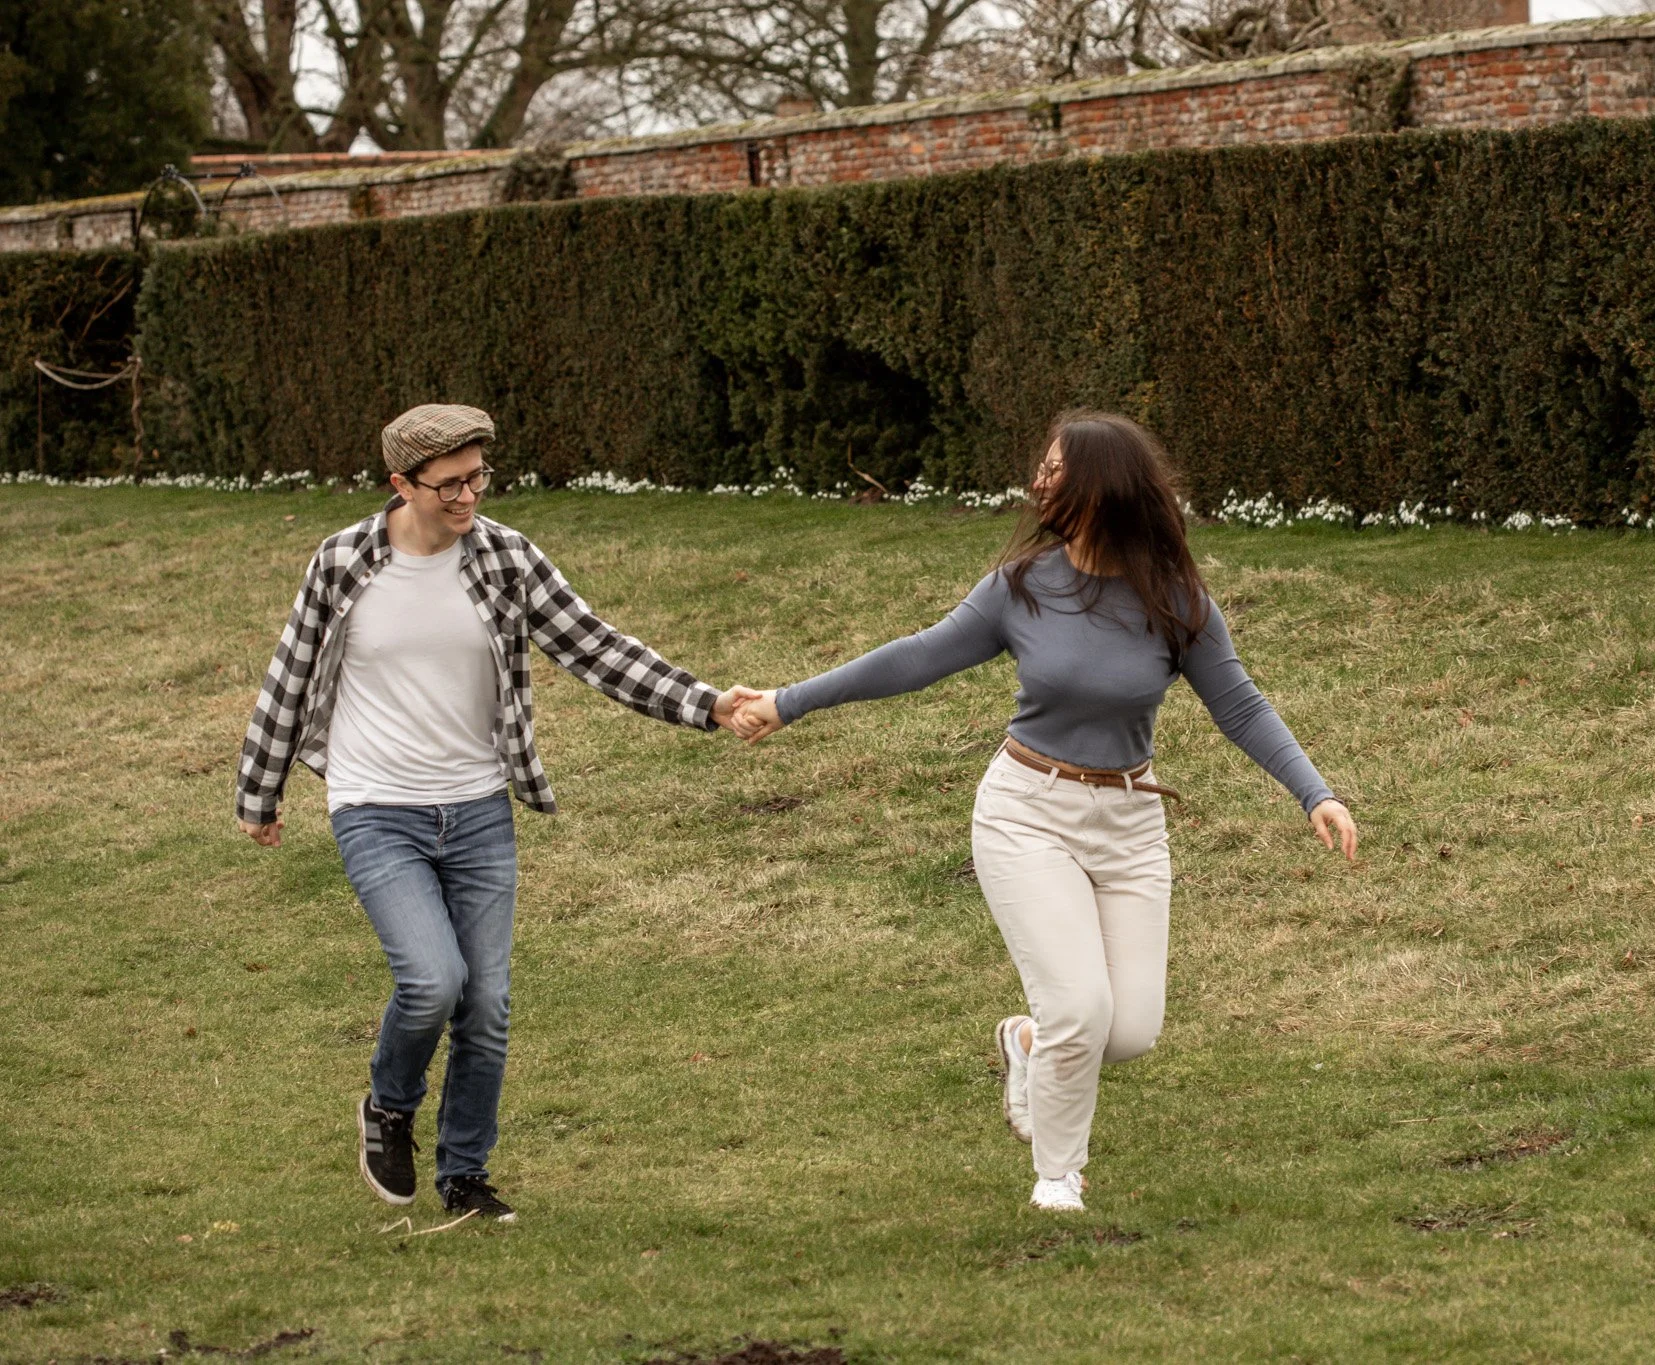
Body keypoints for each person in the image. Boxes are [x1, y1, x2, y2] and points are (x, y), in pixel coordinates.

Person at [733, 410, 1355, 1211]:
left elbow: (1239, 704)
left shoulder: (1176, 598)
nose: (1040, 481)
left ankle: (1025, 1043)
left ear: (1102, 484)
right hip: (1027, 810)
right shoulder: (1021, 587)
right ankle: (1057, 1176)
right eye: (1044, 468)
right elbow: (916, 656)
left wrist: (1317, 792)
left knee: (1127, 1032)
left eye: (1058, 470)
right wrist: (788, 701)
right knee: (1079, 1008)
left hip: (1130, 822)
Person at [235, 403, 758, 1224]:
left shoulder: (507, 558)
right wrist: (259, 793)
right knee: (432, 979)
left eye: (478, 476)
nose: (468, 495)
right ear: (400, 485)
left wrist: (707, 704)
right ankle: (388, 1103)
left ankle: (465, 1175)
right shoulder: (342, 561)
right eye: (448, 483)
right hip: (376, 804)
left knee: (486, 1002)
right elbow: (291, 672)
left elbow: (595, 646)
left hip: (477, 806)